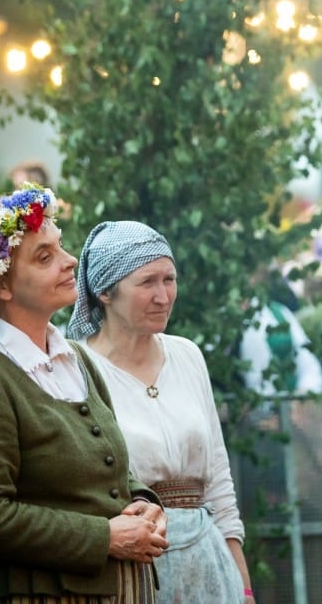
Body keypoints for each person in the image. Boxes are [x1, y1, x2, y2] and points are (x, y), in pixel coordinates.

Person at [0, 184, 168, 603]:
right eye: (45, 257)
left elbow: (107, 465)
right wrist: (103, 537)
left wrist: (145, 503)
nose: (69, 261)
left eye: (60, 247)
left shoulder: (73, 357)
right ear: (1, 287)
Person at [68, 221, 256, 603]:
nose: (163, 295)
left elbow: (218, 479)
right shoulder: (74, 366)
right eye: (147, 282)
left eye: (169, 279)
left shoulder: (186, 355)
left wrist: (244, 586)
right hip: (130, 565)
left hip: (207, 560)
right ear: (104, 291)